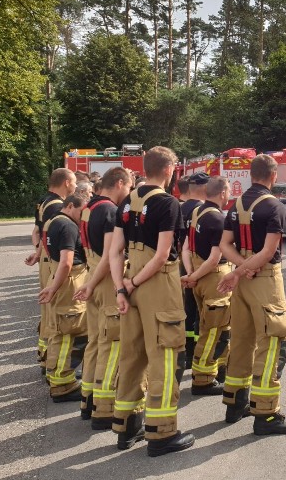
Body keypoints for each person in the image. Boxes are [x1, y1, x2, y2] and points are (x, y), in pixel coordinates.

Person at [108, 146, 194, 456]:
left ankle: (127, 427)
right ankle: (161, 434)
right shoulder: (168, 203)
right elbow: (161, 256)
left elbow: (115, 251)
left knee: (132, 355)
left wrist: (121, 288)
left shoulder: (126, 202)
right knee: (166, 357)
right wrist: (133, 281)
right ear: (169, 170)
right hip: (157, 286)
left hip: (131, 286)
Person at [218, 154, 286, 435]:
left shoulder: (235, 204)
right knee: (273, 341)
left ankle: (235, 403)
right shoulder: (274, 205)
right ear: (273, 176)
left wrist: (240, 268)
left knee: (241, 340)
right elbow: (267, 252)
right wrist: (245, 270)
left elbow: (224, 244)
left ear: (250, 175)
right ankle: (266, 414)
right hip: (264, 279)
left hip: (242, 280)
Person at [72, 166, 132, 429]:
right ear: (119, 183)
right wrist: (94, 284)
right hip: (104, 281)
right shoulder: (109, 211)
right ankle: (104, 409)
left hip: (92, 275)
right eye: (128, 188)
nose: (128, 193)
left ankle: (88, 399)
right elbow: (111, 255)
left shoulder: (88, 208)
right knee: (112, 343)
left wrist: (88, 284)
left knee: (95, 342)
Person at [181, 175, 232, 395]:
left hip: (198, 277)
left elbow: (186, 248)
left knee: (217, 327)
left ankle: (221, 368)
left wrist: (192, 274)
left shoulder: (196, 213)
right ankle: (202, 379)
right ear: (222, 193)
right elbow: (214, 258)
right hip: (213, 279)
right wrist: (196, 276)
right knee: (212, 330)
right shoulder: (218, 220)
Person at [38, 194, 87, 402]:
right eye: (81, 210)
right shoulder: (68, 226)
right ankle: (63, 383)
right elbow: (67, 262)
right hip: (68, 280)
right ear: (70, 206)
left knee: (60, 332)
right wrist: (55, 287)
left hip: (56, 275)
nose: (83, 216)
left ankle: (56, 376)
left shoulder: (52, 220)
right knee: (72, 331)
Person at [26, 168, 77, 366]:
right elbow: (48, 233)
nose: (74, 186)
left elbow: (38, 230)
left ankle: (44, 351)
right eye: (73, 182)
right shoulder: (57, 205)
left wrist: (37, 253)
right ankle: (49, 358)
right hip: (52, 260)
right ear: (65, 182)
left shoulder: (44, 201)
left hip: (45, 259)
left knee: (48, 311)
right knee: (55, 313)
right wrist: (40, 254)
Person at [179, 172, 209, 372]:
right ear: (203, 187)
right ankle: (200, 355)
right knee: (202, 313)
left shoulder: (180, 208)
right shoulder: (200, 210)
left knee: (188, 310)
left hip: (183, 263)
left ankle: (188, 354)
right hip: (198, 265)